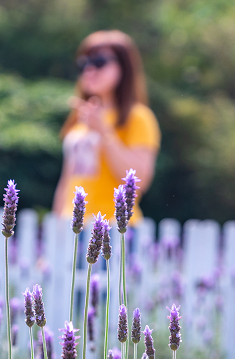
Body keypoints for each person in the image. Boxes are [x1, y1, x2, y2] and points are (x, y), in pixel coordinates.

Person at [53, 30, 160, 224]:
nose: (90, 70)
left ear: (124, 67)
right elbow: (67, 181)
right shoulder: (80, 118)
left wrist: (104, 132)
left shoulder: (138, 117)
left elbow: (139, 182)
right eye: (83, 63)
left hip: (116, 228)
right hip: (75, 227)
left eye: (99, 62)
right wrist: (54, 231)